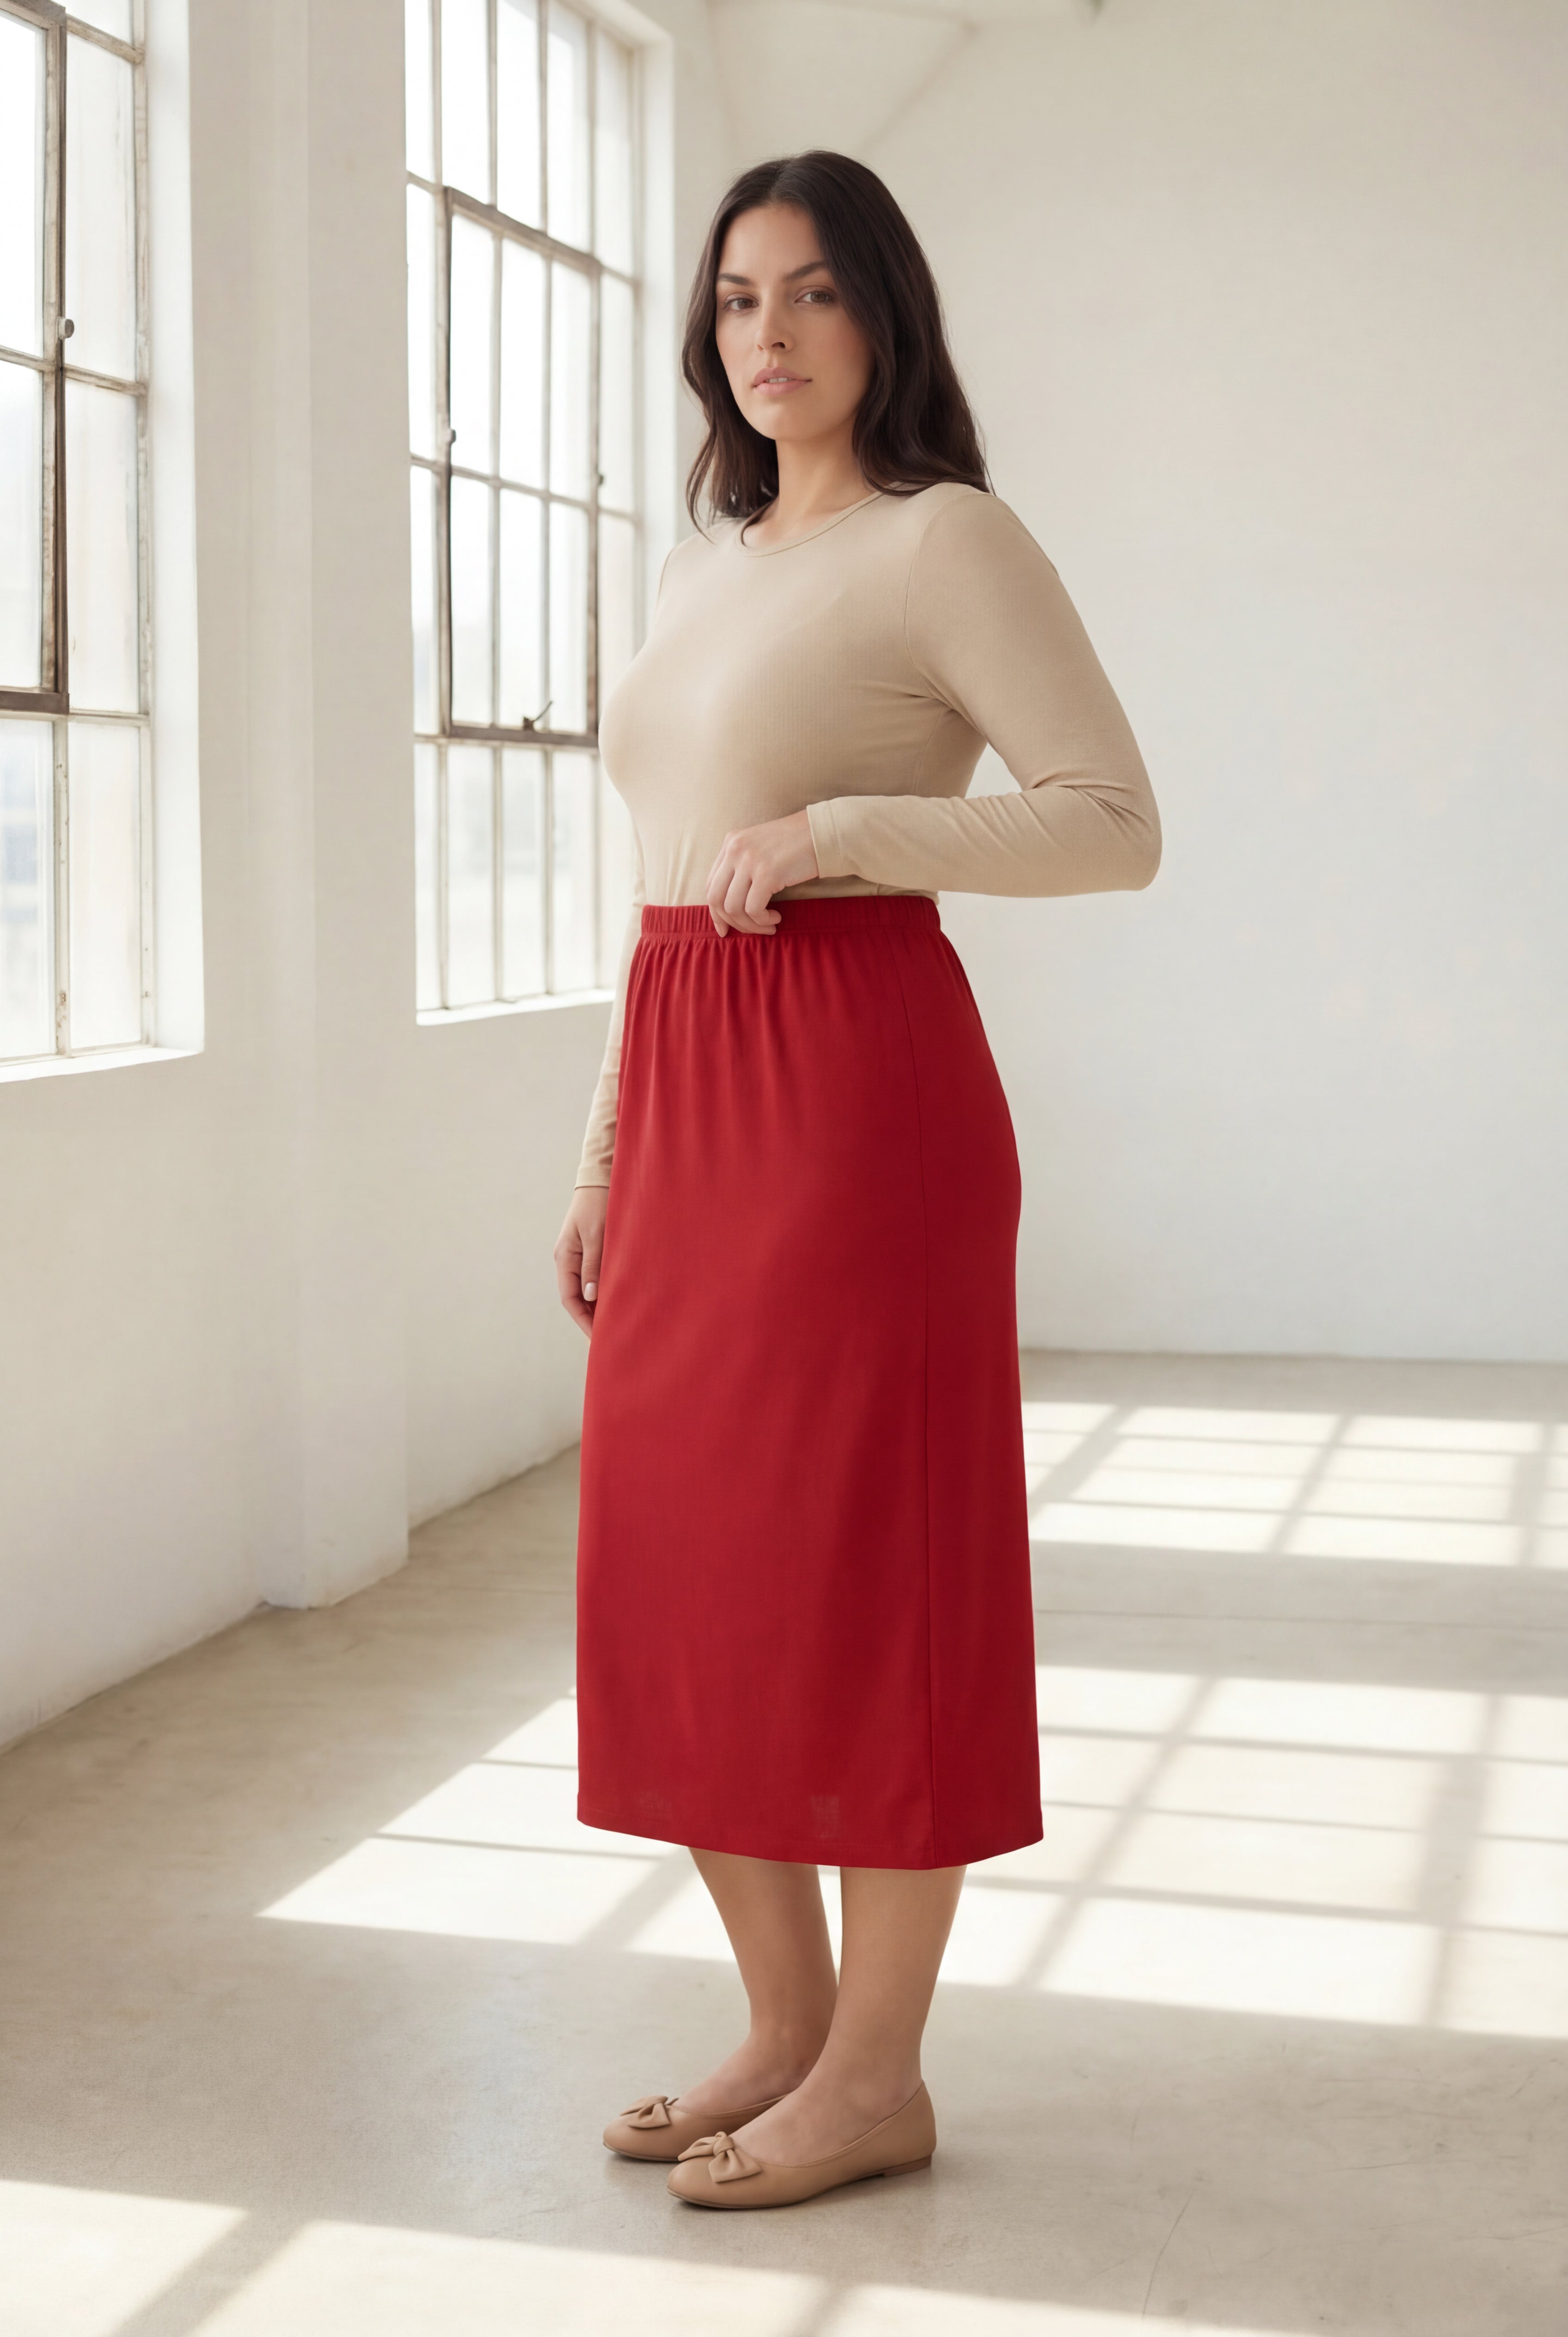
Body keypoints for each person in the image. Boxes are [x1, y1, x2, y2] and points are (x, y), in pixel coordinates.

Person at [552, 150, 1159, 2213]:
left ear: (881, 317)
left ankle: (879, 2074)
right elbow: (655, 865)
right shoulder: (699, 561)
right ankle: (784, 2022)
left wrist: (845, 828)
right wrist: (607, 1145)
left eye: (812, 294)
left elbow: (1107, 822)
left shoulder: (943, 540)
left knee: (859, 1563)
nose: (769, 333)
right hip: (688, 1073)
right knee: (686, 1554)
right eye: (735, 299)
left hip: (849, 1083)